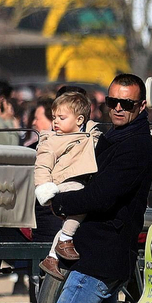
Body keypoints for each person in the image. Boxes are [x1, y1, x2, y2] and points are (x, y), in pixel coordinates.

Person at [19, 74, 152, 303]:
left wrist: (58, 201)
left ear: (141, 106)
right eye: (113, 102)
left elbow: (102, 195)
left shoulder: (134, 147)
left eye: (126, 104)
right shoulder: (115, 137)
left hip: (100, 255)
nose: (118, 109)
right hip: (108, 254)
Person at [33, 90, 100, 279]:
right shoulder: (52, 140)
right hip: (65, 183)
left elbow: (95, 137)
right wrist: (44, 187)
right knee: (82, 202)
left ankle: (52, 257)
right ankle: (64, 241)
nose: (55, 122)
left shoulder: (89, 135)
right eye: (54, 117)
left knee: (68, 225)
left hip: (78, 182)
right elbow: (42, 165)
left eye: (61, 117)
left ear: (79, 120)